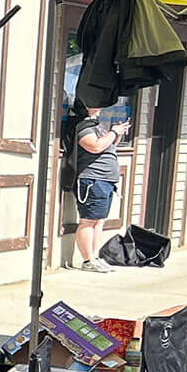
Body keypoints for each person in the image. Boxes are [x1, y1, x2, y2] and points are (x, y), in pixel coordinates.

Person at [69, 104, 127, 272]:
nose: (100, 107)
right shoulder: (83, 126)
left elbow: (107, 146)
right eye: (95, 104)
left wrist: (117, 135)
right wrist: (114, 132)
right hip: (92, 179)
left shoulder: (97, 125)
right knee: (88, 220)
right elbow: (95, 146)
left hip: (106, 181)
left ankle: (95, 257)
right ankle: (87, 260)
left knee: (99, 221)